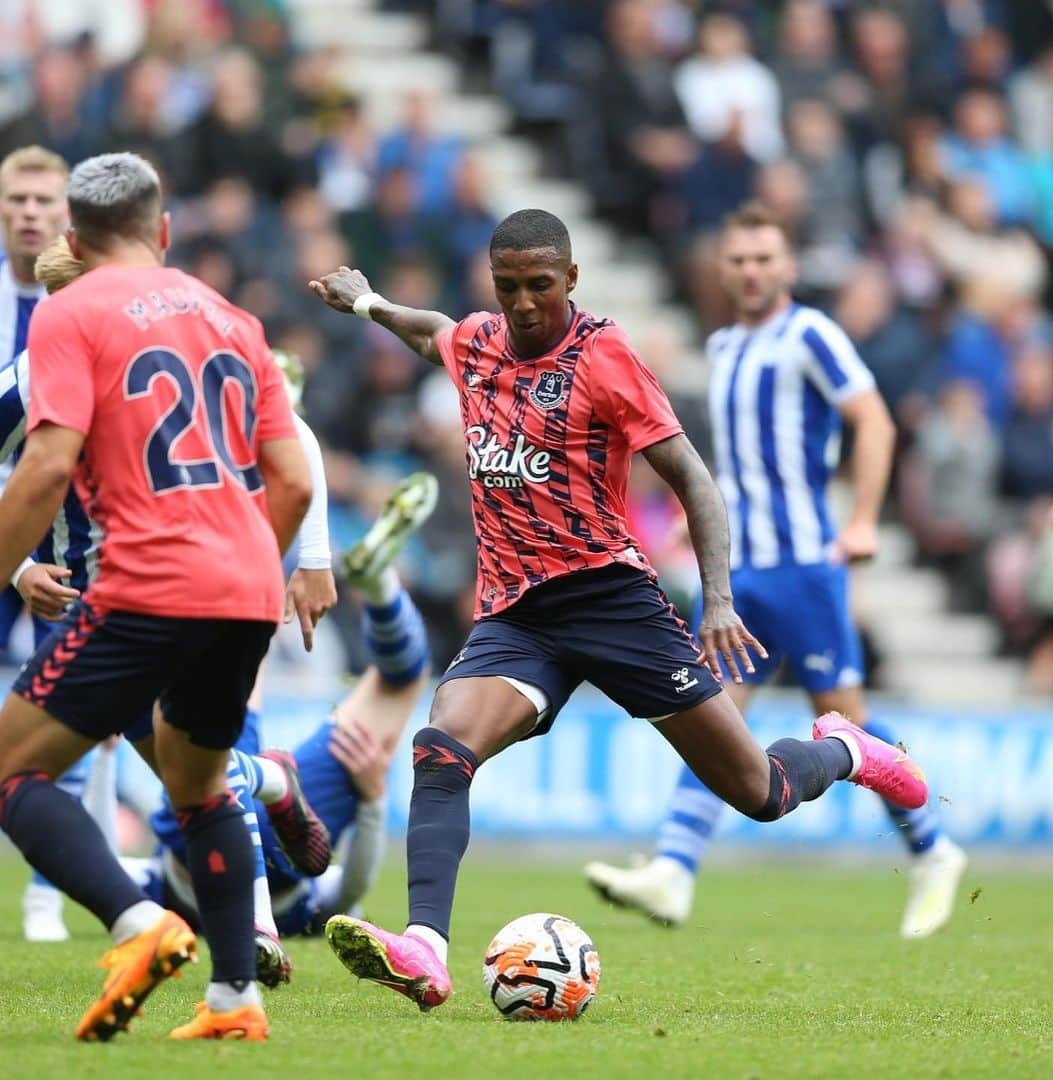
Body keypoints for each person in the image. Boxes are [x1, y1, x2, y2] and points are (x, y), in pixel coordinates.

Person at [308, 208, 929, 1012]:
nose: (525, 303)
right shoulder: (478, 344)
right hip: (518, 615)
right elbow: (430, 330)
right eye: (508, 288)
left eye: (540, 285)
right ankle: (426, 947)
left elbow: (694, 480)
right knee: (439, 746)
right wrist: (364, 302)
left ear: (570, 280)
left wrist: (717, 599)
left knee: (761, 791)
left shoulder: (603, 356)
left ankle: (843, 748)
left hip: (612, 600)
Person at [584, 202, 967, 939]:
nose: (752, 270)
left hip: (804, 567)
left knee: (848, 725)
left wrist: (860, 519)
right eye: (740, 259)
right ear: (723, 268)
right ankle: (674, 867)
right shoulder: (725, 344)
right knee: (713, 715)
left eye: (765, 258)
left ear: (787, 266)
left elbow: (875, 420)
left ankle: (933, 849)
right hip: (743, 574)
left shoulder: (812, 334)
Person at [0, 152, 312, 1041]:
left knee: (12, 768)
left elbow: (46, 465)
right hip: (246, 586)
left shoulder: (67, 310)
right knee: (198, 782)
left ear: (71, 238)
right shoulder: (234, 318)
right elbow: (290, 479)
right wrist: (247, 567)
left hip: (143, 584)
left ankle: (140, 926)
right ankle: (234, 1000)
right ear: (164, 230)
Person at [124, 472, 437, 938]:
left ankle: (245, 515)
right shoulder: (161, 891)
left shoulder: (156, 891)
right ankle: (376, 587)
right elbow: (350, 893)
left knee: (219, 699)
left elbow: (348, 892)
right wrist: (373, 799)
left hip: (199, 837)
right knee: (401, 680)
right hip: (281, 852)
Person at [0, 144, 118, 943]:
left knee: (76, 712)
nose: (29, 211)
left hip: (73, 541)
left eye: (44, 199)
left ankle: (52, 892)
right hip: (12, 527)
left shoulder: (89, 308)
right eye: (17, 199)